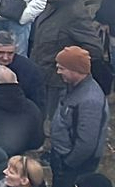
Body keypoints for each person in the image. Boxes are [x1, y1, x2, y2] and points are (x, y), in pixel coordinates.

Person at [45, 47, 104, 187]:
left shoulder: (90, 101)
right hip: (63, 157)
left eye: (61, 68)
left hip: (74, 167)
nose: (58, 72)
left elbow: (87, 143)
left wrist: (68, 163)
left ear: (75, 69)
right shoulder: (73, 86)